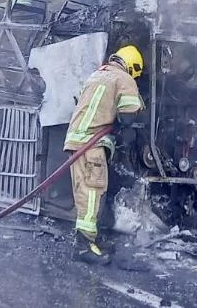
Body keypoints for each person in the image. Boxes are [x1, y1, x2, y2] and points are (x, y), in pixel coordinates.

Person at [65, 45, 145, 265]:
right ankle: (83, 248)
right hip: (90, 143)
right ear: (133, 67)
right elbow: (128, 116)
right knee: (92, 194)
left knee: (86, 193)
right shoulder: (124, 78)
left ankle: (91, 241)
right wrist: (137, 103)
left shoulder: (97, 75)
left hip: (77, 141)